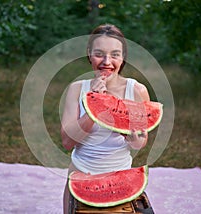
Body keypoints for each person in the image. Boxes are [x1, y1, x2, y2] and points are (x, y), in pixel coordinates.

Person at [61, 24, 150, 213]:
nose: (107, 62)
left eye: (115, 54)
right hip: (80, 177)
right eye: (99, 53)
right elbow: (67, 142)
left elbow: (140, 142)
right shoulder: (76, 89)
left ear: (123, 56)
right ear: (89, 53)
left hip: (121, 178)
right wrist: (95, 106)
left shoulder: (136, 91)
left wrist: (132, 135)